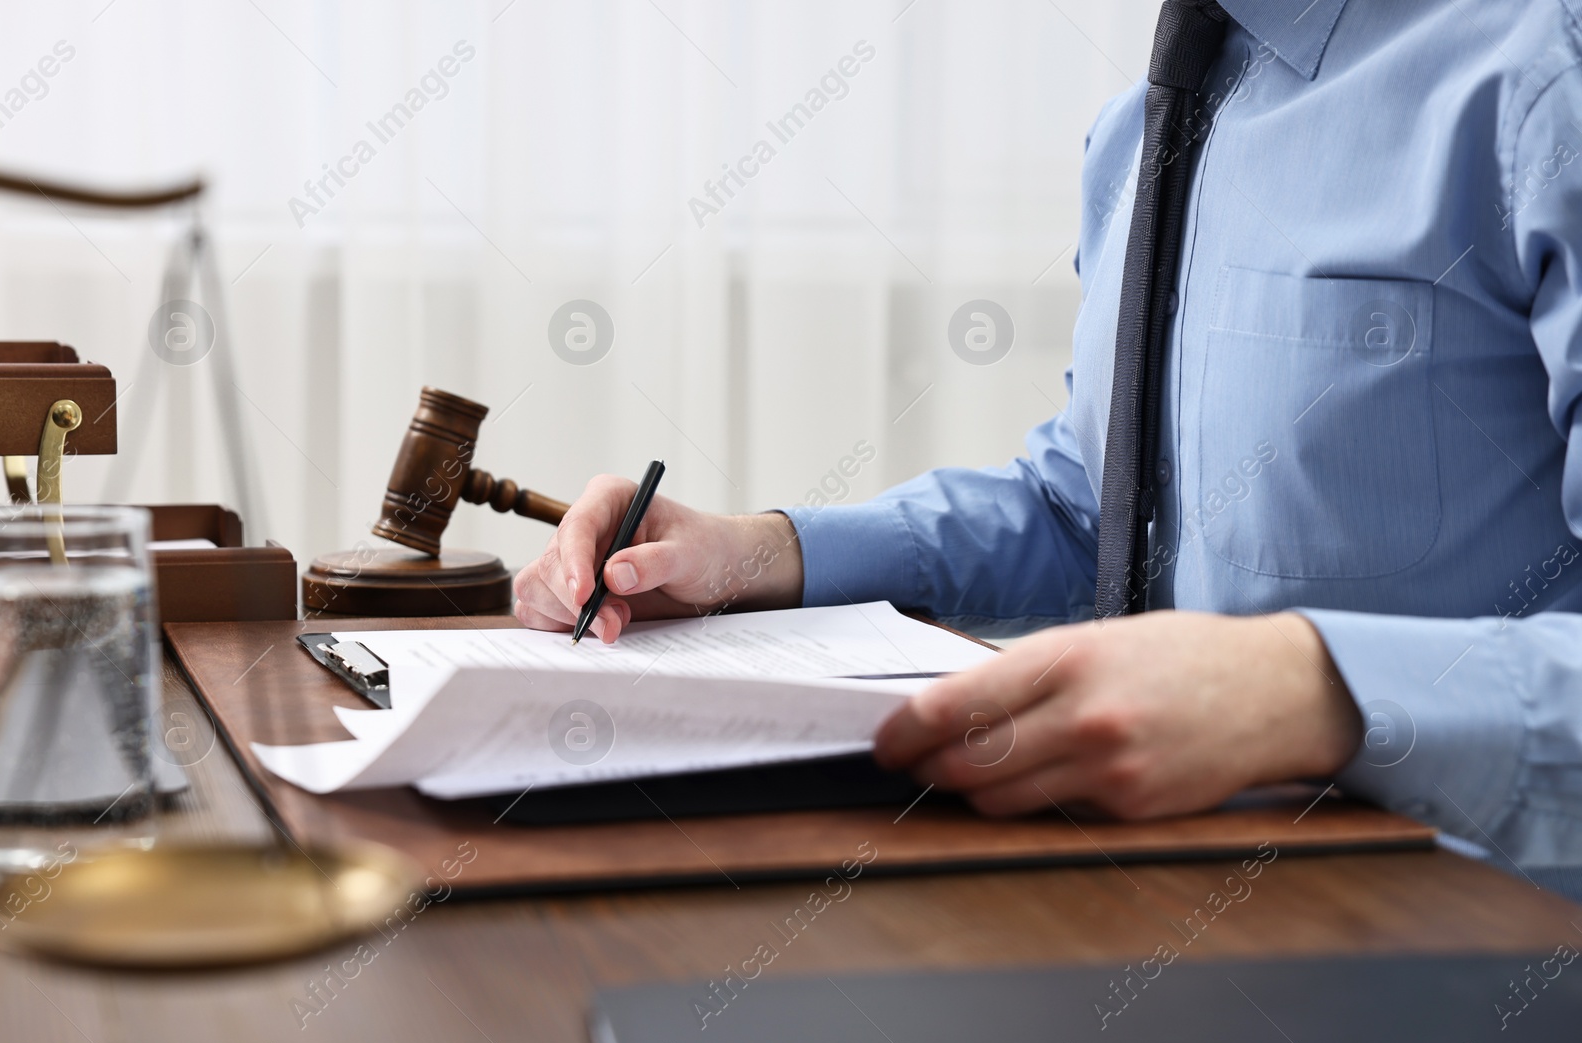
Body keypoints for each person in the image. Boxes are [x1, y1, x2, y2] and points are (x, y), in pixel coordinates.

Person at [516, 0, 1582, 895]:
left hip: (1473, 936)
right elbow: (1097, 515)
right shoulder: (1141, 129)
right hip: (1158, 911)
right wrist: (760, 555)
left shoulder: (1543, 76)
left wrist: (1317, 691)